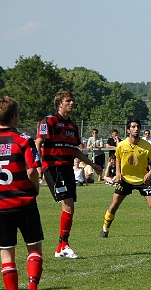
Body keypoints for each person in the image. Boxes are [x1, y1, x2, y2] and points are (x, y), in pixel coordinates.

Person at [0, 96, 47, 290]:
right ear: (15, 116)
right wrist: (35, 188)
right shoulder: (23, 140)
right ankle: (32, 289)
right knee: (34, 248)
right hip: (24, 202)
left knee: (7, 255)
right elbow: (33, 170)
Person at [36, 91, 102, 259]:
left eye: (72, 100)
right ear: (60, 103)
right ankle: (64, 245)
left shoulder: (72, 126)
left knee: (70, 206)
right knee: (68, 203)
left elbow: (74, 150)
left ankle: (60, 247)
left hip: (67, 168)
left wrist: (92, 164)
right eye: (68, 101)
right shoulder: (49, 121)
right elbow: (39, 142)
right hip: (53, 168)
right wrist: (37, 165)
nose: (72, 103)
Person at [99, 119, 151, 238]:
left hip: (143, 180)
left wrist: (150, 174)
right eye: (133, 127)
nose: (136, 129)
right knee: (114, 205)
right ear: (128, 130)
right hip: (125, 180)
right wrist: (118, 173)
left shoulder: (146, 146)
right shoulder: (121, 145)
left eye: (138, 127)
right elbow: (118, 158)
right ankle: (105, 230)